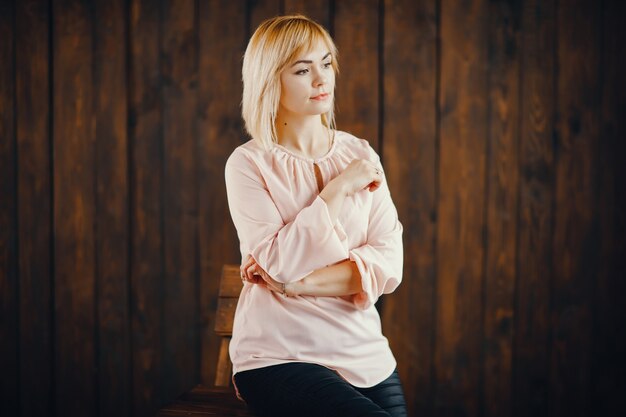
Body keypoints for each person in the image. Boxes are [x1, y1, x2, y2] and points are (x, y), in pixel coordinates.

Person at [224, 14, 408, 417]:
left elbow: (389, 261)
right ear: (271, 80)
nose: (322, 80)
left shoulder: (360, 153)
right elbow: (279, 261)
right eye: (303, 70)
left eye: (326, 63)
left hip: (363, 352)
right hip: (278, 357)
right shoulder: (248, 164)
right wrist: (338, 189)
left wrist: (293, 288)